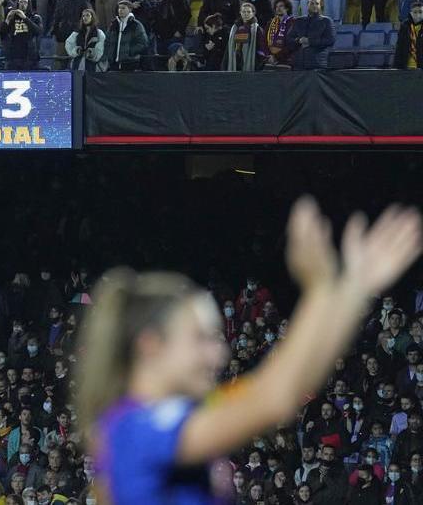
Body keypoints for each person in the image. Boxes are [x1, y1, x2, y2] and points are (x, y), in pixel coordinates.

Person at [79, 197, 422, 505]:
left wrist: (352, 289)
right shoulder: (134, 430)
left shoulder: (183, 413)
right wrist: (325, 289)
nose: (218, 356)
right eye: (199, 339)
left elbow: (291, 384)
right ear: (150, 345)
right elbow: (274, 396)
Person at [287, 0, 335, 69]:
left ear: (320, 5)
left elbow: (330, 40)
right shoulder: (298, 21)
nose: (314, 6)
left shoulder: (326, 21)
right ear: (307, 5)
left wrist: (310, 41)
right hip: (298, 64)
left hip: (317, 64)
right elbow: (289, 39)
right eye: (312, 3)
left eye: (317, 3)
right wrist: (299, 40)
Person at [104, 1, 149, 71]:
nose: (120, 10)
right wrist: (109, 55)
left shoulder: (136, 25)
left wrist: (130, 51)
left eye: (123, 8)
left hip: (130, 63)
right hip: (113, 64)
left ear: (130, 9)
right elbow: (107, 41)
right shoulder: (113, 24)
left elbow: (143, 43)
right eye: (119, 8)